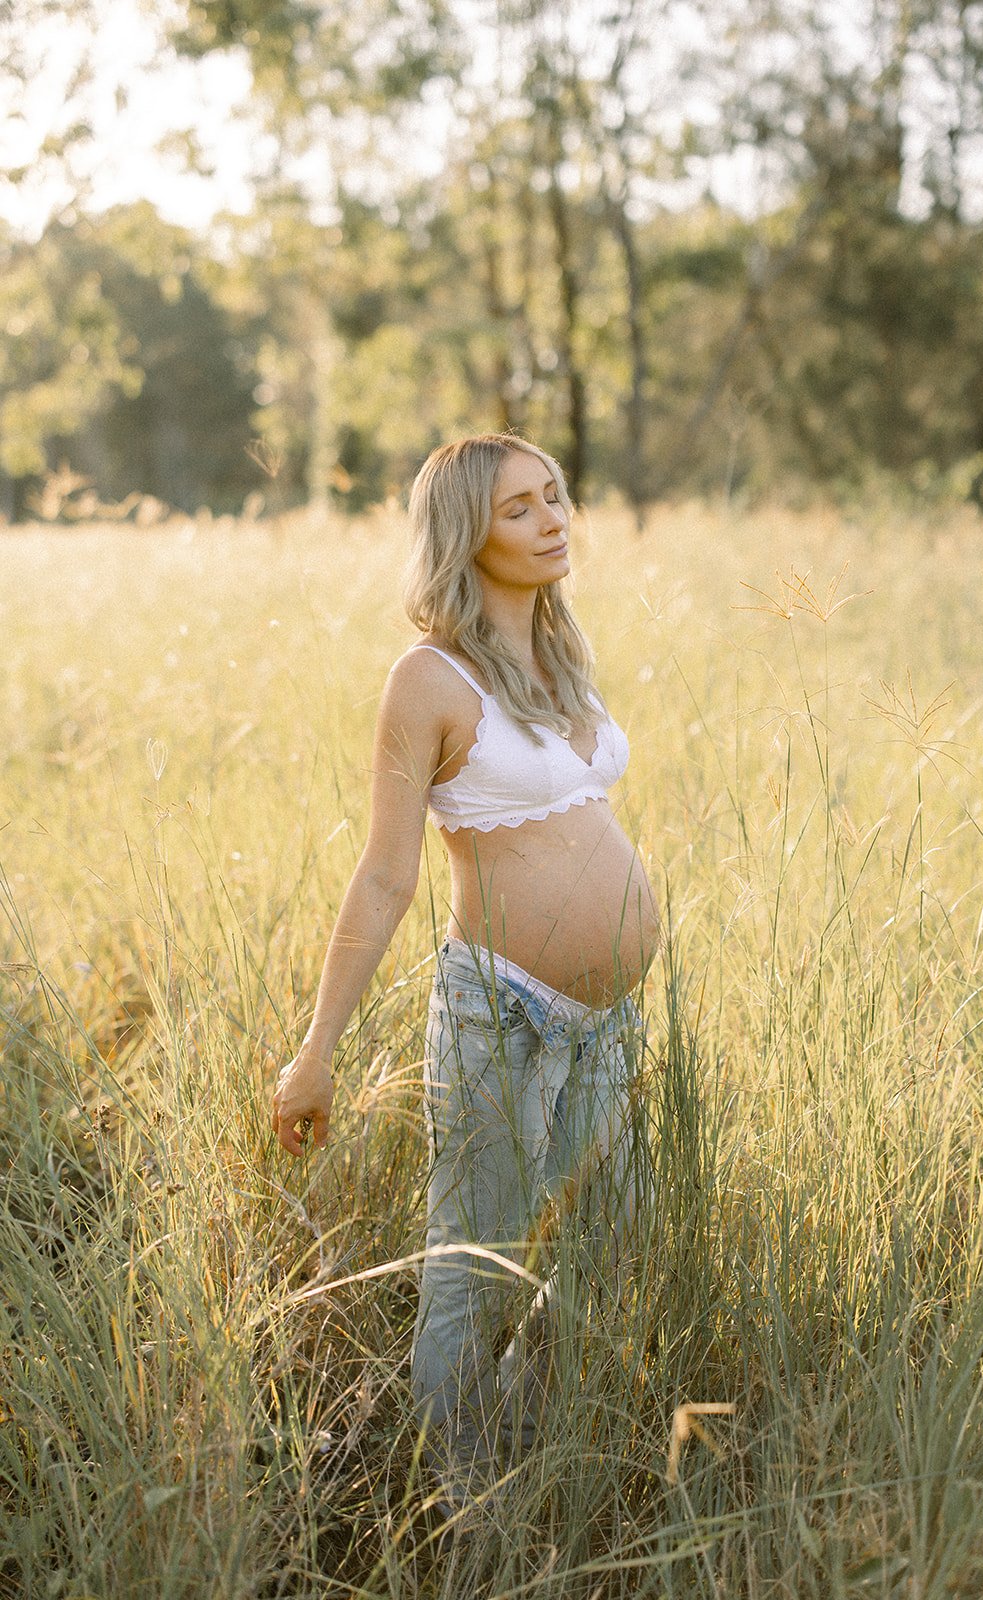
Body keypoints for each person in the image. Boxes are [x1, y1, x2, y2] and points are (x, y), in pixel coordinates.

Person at [271, 433, 659, 1518]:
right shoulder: (426, 679)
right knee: (471, 1259)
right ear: (465, 536)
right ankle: (465, 1500)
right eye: (521, 509)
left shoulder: (558, 649)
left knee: (607, 1242)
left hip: (603, 1019)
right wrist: (317, 1052)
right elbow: (386, 873)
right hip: (504, 1012)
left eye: (555, 497)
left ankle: (527, 1439)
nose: (552, 520)